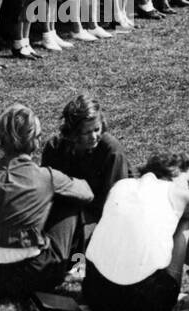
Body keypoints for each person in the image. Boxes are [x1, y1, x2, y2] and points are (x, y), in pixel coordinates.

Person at [0, 103, 94, 300]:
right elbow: (87, 193)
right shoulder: (46, 176)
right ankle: (76, 264)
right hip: (28, 276)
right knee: (71, 204)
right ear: (36, 140)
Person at [82, 152, 189, 311]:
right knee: (187, 219)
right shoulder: (179, 193)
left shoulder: (121, 185)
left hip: (95, 295)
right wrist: (187, 215)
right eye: (188, 182)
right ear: (174, 171)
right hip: (148, 303)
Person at [39, 93, 133, 230]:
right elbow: (45, 190)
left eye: (97, 129)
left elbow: (115, 202)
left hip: (101, 216)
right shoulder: (55, 148)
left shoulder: (111, 151)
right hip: (65, 212)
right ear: (73, 132)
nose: (94, 136)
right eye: (86, 132)